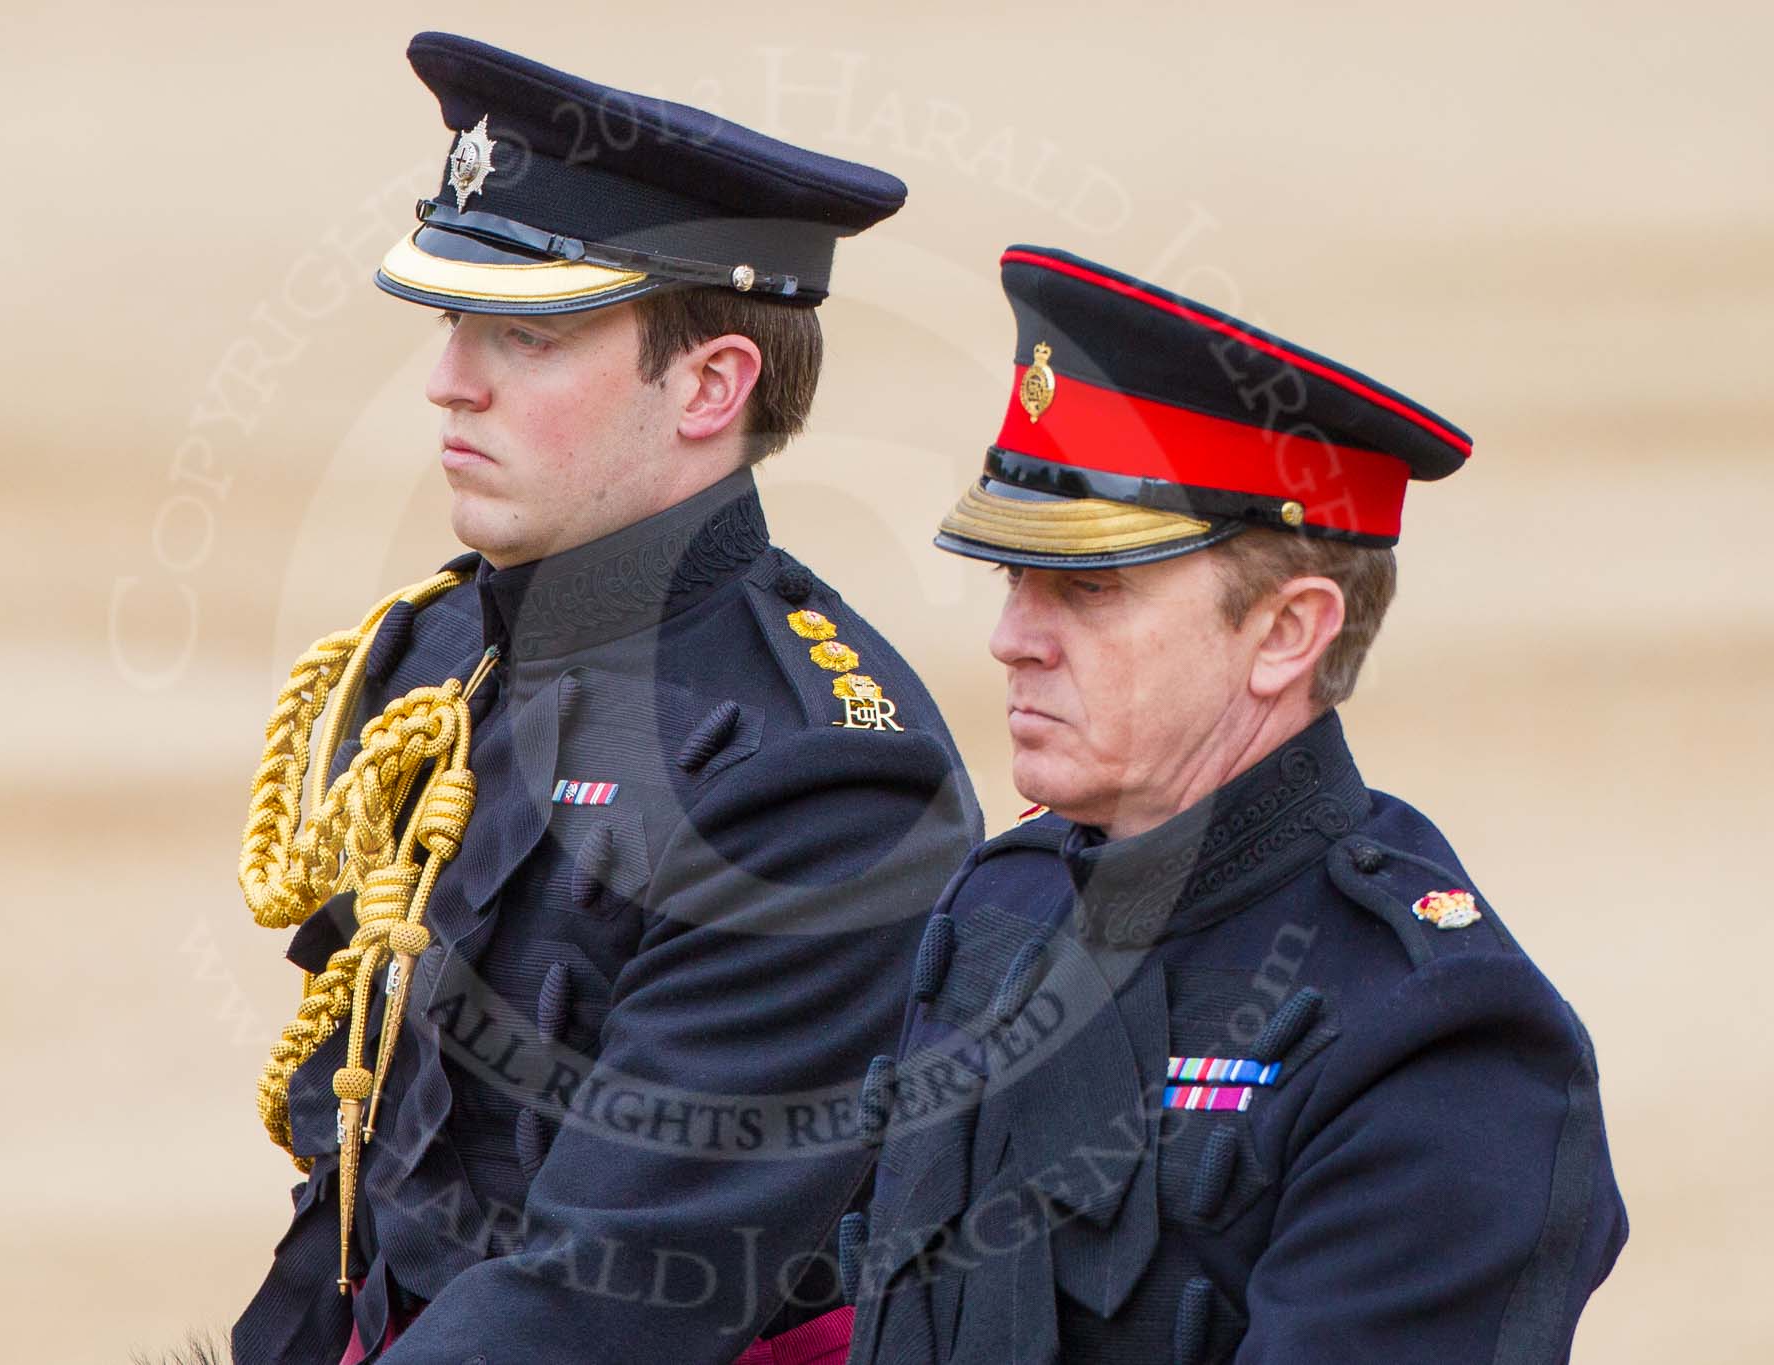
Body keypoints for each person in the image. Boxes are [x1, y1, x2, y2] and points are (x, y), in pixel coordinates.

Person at [228, 33, 982, 1365]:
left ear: (710, 386)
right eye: (456, 322)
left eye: (528, 334)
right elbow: (359, 1164)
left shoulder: (821, 778)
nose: (451, 380)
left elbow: (616, 1295)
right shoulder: (427, 663)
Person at [842, 246, 1626, 1364]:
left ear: (1282, 634)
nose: (1010, 638)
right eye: (1011, 579)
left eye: (1086, 588)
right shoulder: (998, 905)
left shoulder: (1436, 1036)